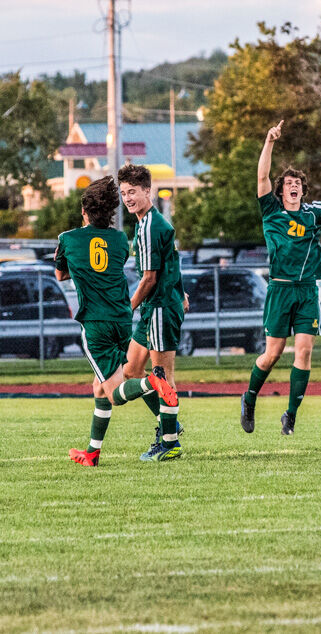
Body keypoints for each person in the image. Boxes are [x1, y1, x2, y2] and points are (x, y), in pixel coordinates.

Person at [54, 176, 179, 466]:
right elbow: (111, 263)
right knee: (99, 386)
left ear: (84, 211)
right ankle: (93, 453)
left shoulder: (67, 239)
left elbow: (61, 274)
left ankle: (154, 383)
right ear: (111, 211)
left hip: (95, 324)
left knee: (115, 394)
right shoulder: (121, 239)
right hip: (123, 318)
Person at [240, 121, 321, 436]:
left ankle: (291, 414)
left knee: (304, 351)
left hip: (307, 293)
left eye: (297, 182)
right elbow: (261, 176)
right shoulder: (271, 211)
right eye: (288, 182)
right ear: (281, 189)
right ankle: (249, 397)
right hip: (280, 291)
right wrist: (269, 140)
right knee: (272, 354)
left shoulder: (314, 213)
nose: (294, 185)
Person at [118, 164, 187, 460]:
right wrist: (182, 291)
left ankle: (169, 443)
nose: (127, 198)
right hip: (154, 309)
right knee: (132, 371)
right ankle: (168, 420)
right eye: (123, 193)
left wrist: (126, 308)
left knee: (163, 377)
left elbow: (150, 277)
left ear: (148, 190)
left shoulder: (150, 226)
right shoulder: (148, 223)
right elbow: (174, 260)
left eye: (133, 191)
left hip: (158, 308)